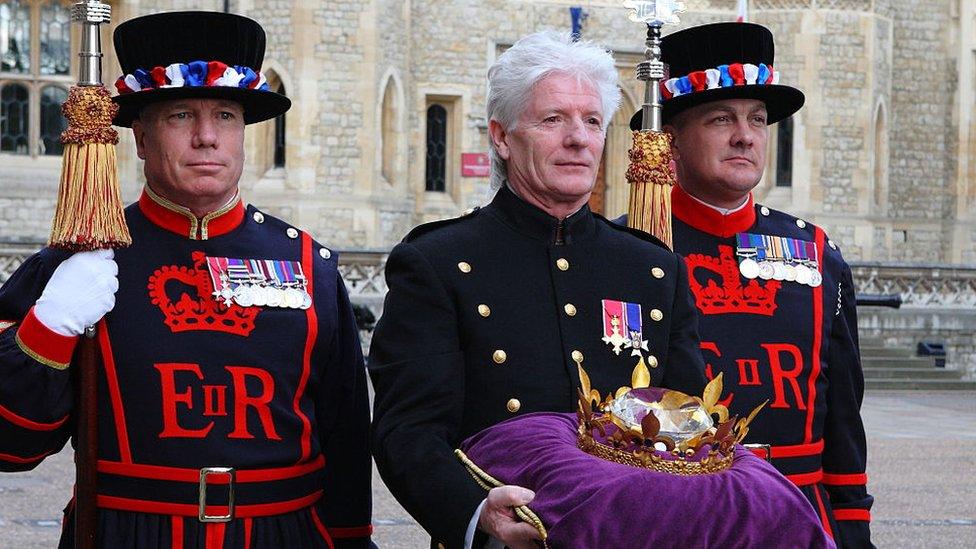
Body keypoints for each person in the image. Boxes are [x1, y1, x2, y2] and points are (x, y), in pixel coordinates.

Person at [0, 11, 372, 548]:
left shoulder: (311, 265)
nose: (206, 137)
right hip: (127, 535)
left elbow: (345, 440)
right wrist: (49, 326)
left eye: (224, 115)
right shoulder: (79, 260)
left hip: (282, 535)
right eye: (180, 115)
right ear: (142, 139)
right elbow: (12, 446)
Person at [369, 30, 707, 549]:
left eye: (592, 121)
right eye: (554, 120)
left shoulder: (653, 269)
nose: (579, 138)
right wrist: (476, 512)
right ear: (502, 137)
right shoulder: (438, 263)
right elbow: (408, 432)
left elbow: (687, 421)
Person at [623, 22, 873, 548]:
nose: (746, 136)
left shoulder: (815, 252)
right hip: (676, 518)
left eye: (757, 120)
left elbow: (843, 420)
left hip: (797, 514)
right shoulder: (627, 251)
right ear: (668, 136)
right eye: (721, 119)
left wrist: (852, 528)